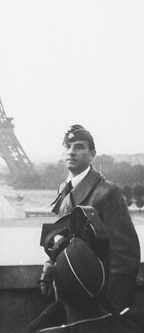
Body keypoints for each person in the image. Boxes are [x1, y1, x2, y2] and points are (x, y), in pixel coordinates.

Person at [27, 124, 141, 333]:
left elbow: (125, 256)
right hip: (69, 297)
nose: (71, 151)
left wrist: (112, 309)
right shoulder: (64, 188)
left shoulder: (107, 193)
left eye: (79, 147)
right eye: (67, 146)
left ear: (92, 155)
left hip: (96, 305)